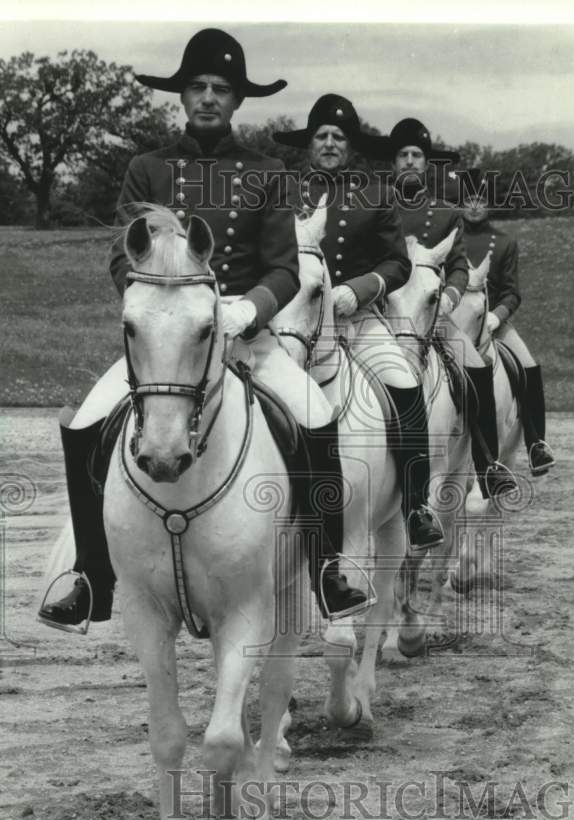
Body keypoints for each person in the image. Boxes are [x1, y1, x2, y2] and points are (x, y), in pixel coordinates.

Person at [38, 29, 370, 632]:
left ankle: (329, 567)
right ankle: (92, 575)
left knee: (317, 418)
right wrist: (161, 307)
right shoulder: (148, 169)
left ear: (238, 100)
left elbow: (285, 268)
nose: (209, 98)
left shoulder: (268, 171)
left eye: (221, 89)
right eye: (198, 87)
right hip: (170, 341)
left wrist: (252, 309)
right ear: (182, 96)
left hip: (249, 337)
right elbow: (123, 255)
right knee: (83, 423)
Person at [273, 95, 446, 553]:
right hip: (293, 317)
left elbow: (398, 264)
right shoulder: (285, 193)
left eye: (338, 137)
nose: (329, 143)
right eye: (321, 136)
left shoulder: (376, 193)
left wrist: (362, 289)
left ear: (350, 146)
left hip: (359, 320)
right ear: (309, 144)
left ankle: (415, 504)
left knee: (404, 382)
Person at [384, 118, 518, 499]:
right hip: (383, 313)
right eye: (403, 155)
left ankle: (488, 462)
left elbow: (458, 266)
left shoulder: (444, 214)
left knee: (476, 366)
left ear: (426, 164)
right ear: (393, 163)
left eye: (416, 155)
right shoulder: (378, 207)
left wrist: (451, 297)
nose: (410, 161)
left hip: (432, 315)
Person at [461, 167, 556, 476]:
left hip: (493, 325)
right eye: (468, 199)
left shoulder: (504, 243)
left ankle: (536, 443)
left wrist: (496, 315)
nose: (474, 206)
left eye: (480, 200)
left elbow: (512, 293)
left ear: (489, 204)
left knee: (527, 365)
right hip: (454, 322)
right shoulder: (449, 240)